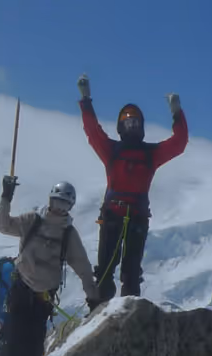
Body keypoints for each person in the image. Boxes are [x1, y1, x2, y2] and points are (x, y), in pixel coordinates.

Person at [77, 73, 189, 302]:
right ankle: (101, 314)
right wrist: (86, 101)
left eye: (135, 122)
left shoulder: (141, 153)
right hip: (120, 216)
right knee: (107, 271)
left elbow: (179, 144)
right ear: (121, 126)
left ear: (141, 126)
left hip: (130, 216)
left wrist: (177, 113)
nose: (131, 126)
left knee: (130, 273)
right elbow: (93, 131)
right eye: (128, 122)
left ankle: (124, 315)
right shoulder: (117, 151)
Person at [0, 176, 101, 356]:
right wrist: (6, 198)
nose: (59, 208)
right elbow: (4, 226)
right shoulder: (32, 221)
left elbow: (83, 269)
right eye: (57, 202)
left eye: (65, 204)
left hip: (40, 301)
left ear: (69, 207)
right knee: (15, 343)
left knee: (31, 349)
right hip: (23, 294)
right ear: (50, 200)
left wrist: (93, 297)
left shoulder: (68, 235)